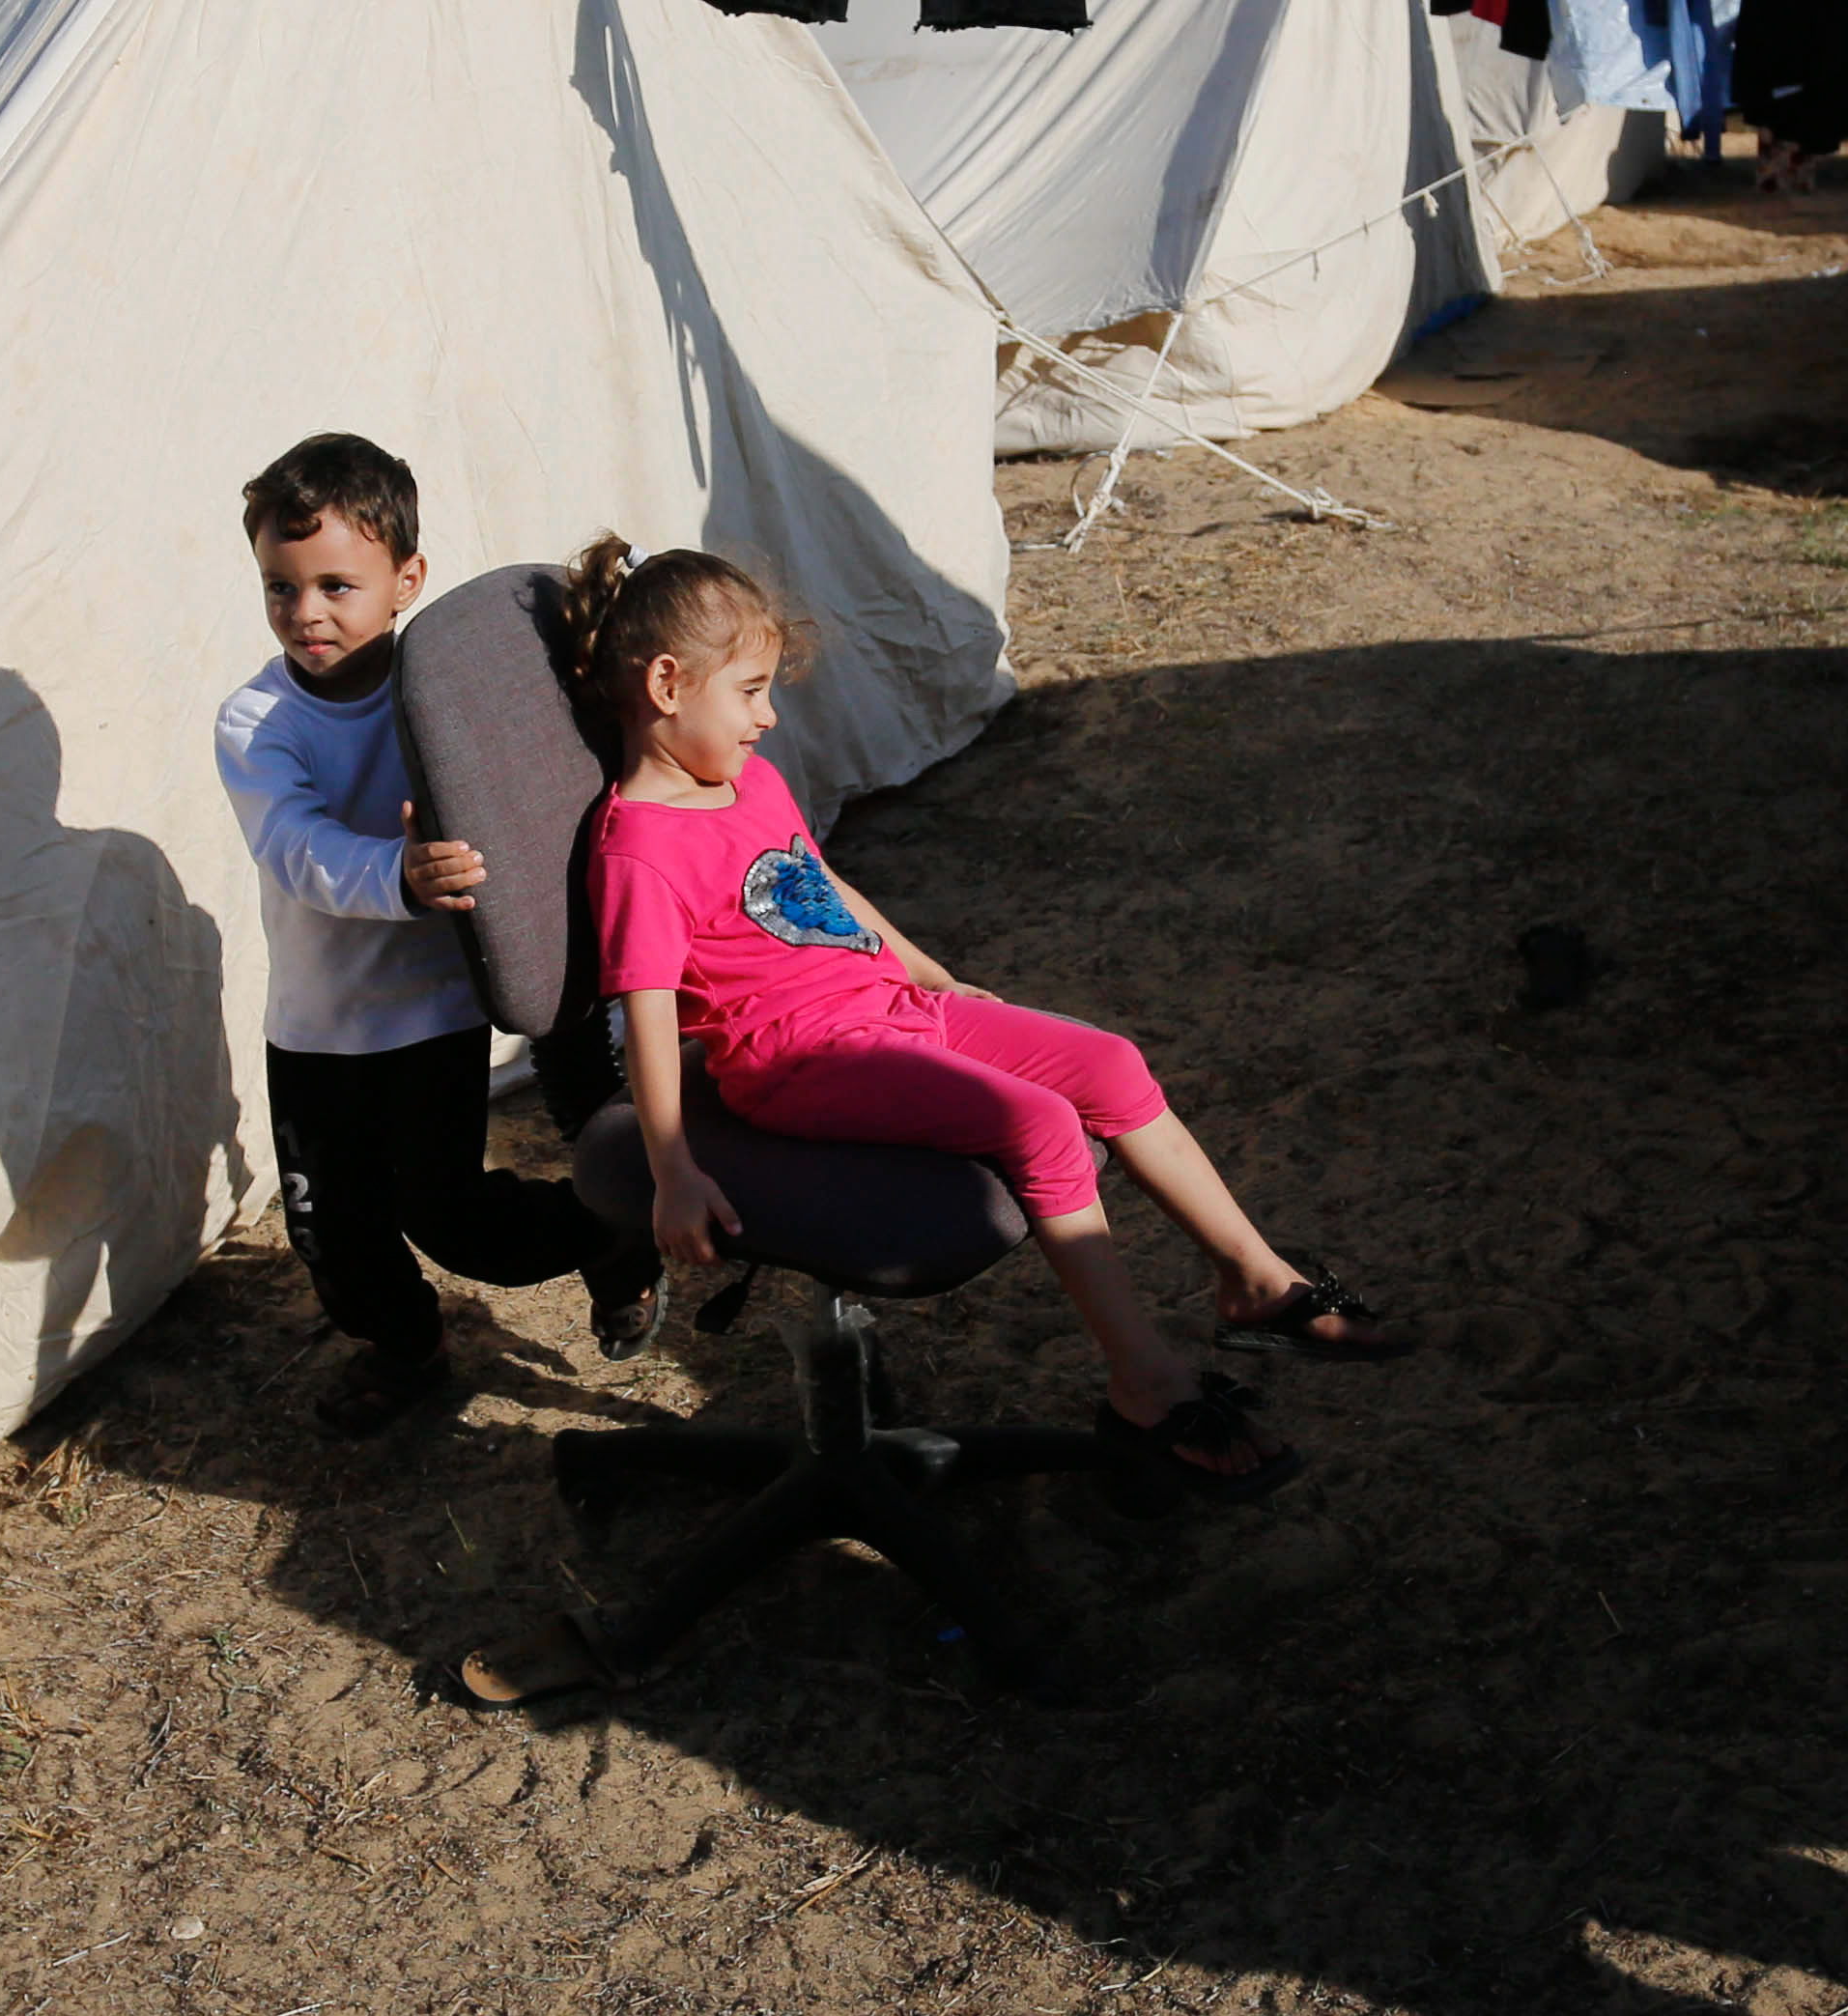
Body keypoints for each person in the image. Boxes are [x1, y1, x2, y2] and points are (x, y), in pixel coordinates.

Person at [561, 536, 1397, 1498]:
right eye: (750, 691)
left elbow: (820, 885)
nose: (769, 715)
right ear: (667, 684)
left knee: (1111, 1064)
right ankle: (1145, 1383)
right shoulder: (639, 851)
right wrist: (674, 1170)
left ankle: (1256, 1278)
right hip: (797, 1058)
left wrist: (934, 974)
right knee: (1037, 1123)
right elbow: (647, 1016)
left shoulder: (748, 781)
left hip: (891, 1005)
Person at [217, 434, 657, 1434]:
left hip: (434, 1015)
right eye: (281, 587)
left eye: (337, 585)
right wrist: (400, 875)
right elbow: (293, 846)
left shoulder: (459, 697)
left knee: (453, 1220)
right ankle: (408, 1347)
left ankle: (611, 1232)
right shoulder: (256, 722)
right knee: (332, 1232)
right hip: (318, 1025)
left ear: (406, 581)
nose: (306, 611)